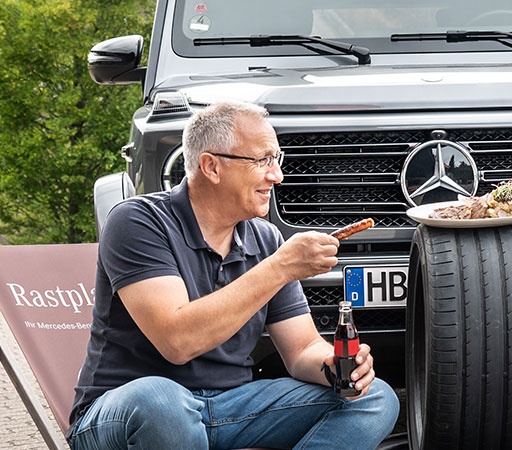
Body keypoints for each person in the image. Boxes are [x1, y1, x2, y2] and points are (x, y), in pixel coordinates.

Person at [68, 101, 399, 450]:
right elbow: (178, 342)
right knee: (161, 400)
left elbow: (301, 348)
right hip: (130, 413)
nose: (277, 175)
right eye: (262, 161)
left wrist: (335, 366)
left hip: (231, 408)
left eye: (277, 159)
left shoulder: (266, 238)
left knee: (374, 397)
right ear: (211, 166)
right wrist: (280, 266)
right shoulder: (138, 221)